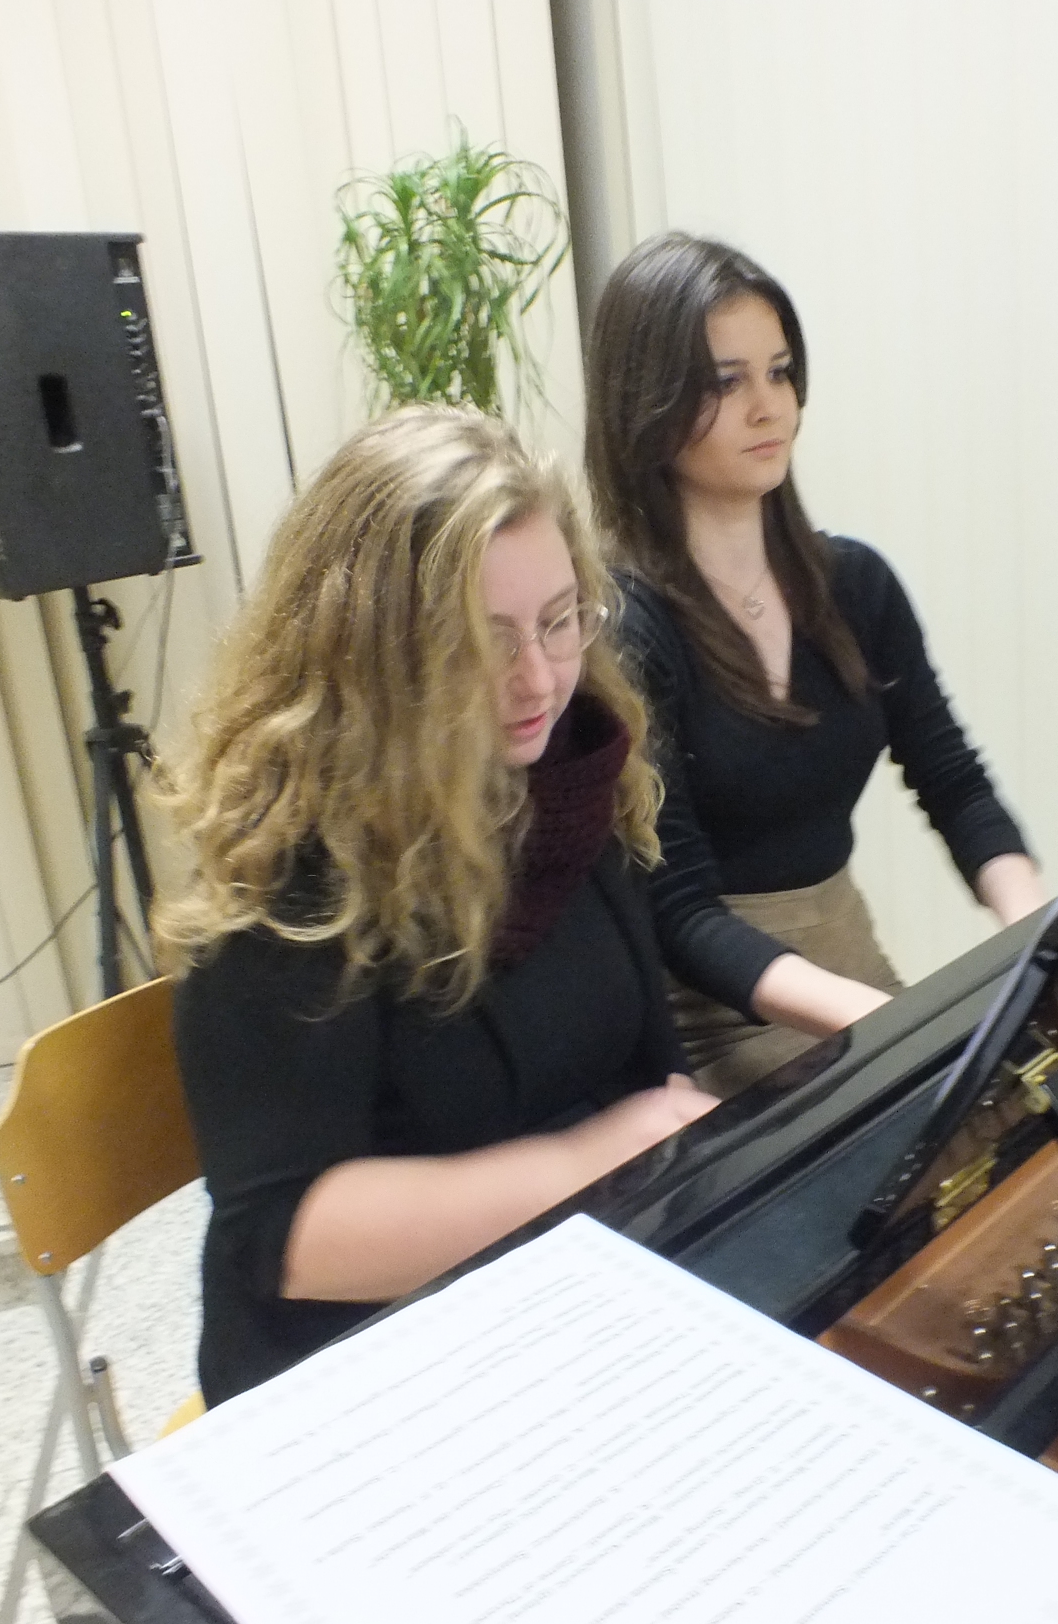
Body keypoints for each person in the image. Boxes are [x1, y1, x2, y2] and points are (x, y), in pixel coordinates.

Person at [157, 406, 715, 1404]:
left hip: (560, 1294)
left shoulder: (566, 781)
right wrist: (588, 1164)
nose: (537, 679)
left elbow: (648, 1074)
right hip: (369, 1363)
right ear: (373, 654)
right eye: (481, 644)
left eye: (560, 620)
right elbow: (287, 1238)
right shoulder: (294, 869)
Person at [584, 232, 1047, 1096]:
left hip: (847, 971)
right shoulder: (625, 629)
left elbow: (953, 780)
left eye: (781, 372)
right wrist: (885, 1026)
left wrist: (1036, 932)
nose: (770, 407)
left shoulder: (855, 586)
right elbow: (680, 911)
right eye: (726, 382)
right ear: (645, 402)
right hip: (717, 1018)